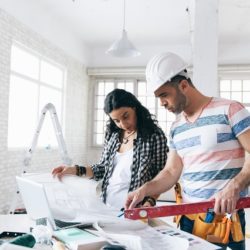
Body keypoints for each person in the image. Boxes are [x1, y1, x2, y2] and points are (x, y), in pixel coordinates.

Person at [125, 52, 250, 250]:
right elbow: (170, 172)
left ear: (183, 85)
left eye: (164, 95)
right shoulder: (176, 127)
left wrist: (235, 186)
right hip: (188, 218)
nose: (162, 103)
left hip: (225, 220)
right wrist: (144, 190)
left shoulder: (230, 110)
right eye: (158, 97)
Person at [52, 88, 168, 210]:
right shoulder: (112, 135)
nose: (123, 124)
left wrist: (149, 202)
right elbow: (102, 169)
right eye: (116, 120)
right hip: (106, 206)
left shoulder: (154, 135)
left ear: (134, 107)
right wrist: (73, 170)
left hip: (135, 209)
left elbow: (161, 177)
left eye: (126, 116)